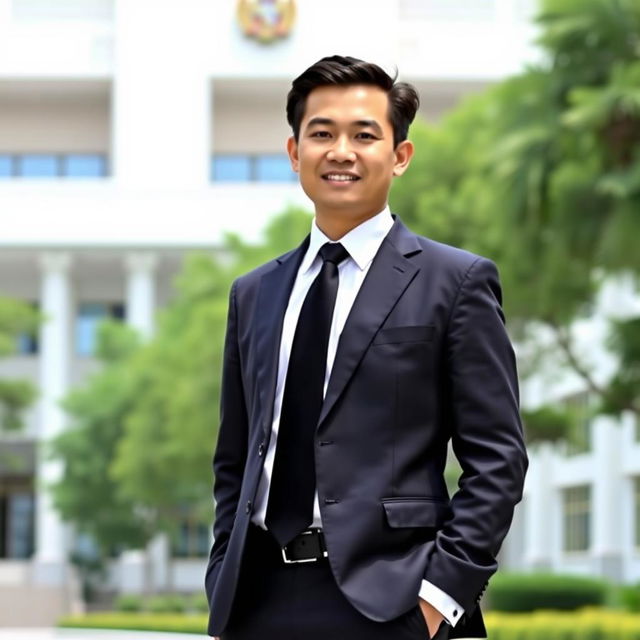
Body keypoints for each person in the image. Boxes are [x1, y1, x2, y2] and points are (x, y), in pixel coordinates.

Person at [205, 55, 528, 640]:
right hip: (256, 600)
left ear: (399, 156)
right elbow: (235, 456)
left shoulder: (454, 282)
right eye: (321, 134)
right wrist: (222, 567)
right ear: (293, 151)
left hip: (393, 603)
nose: (341, 151)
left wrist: (438, 601)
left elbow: (497, 459)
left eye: (364, 134)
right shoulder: (253, 293)